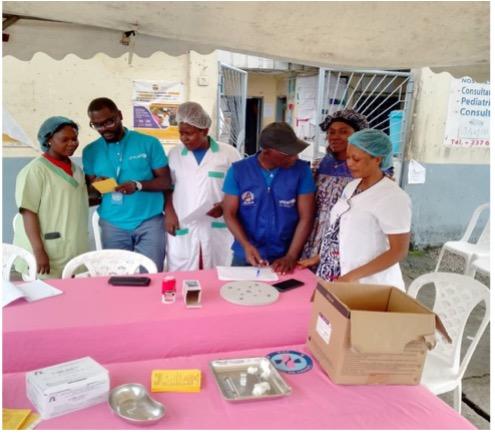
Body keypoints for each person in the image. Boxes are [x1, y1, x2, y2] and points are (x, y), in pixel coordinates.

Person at [82, 97, 171, 271]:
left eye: (109, 122)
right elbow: (91, 190)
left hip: (149, 221)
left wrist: (138, 185)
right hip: (112, 223)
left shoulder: (148, 143)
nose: (104, 129)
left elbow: (165, 181)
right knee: (117, 277)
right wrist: (94, 183)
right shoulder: (90, 151)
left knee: (151, 273)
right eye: (97, 125)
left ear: (120, 116)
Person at [315, 129, 411, 290]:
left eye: (356, 159)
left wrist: (351, 276)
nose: (349, 163)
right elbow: (340, 230)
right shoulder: (352, 186)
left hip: (370, 284)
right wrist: (321, 257)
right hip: (336, 276)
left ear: (377, 160)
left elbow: (398, 251)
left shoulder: (393, 197)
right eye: (348, 157)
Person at [222, 122, 316, 274]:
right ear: (266, 152)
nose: (295, 157)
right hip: (245, 254)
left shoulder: (302, 171)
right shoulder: (238, 171)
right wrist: (246, 245)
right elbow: (229, 214)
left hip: (286, 256)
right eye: (288, 153)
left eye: (296, 151)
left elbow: (307, 217)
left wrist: (291, 255)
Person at [165, 102, 241, 270]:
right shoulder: (174, 154)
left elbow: (242, 187)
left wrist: (224, 205)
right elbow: (167, 187)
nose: (184, 138)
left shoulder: (229, 154)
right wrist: (169, 213)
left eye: (189, 133)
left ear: (204, 131)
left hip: (217, 223)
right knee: (182, 272)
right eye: (181, 133)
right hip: (183, 221)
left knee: (219, 270)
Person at [13, 116, 89, 278]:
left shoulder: (76, 170)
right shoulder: (35, 171)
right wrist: (38, 252)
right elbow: (28, 212)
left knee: (69, 294)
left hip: (71, 246)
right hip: (47, 249)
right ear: (48, 140)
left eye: (74, 138)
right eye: (65, 139)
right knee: (46, 296)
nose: (72, 143)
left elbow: (73, 201)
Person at [299, 109, 369, 268]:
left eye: (344, 132)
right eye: (331, 132)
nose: (335, 137)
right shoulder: (318, 165)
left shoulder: (364, 170)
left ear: (358, 136)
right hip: (314, 232)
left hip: (346, 233)